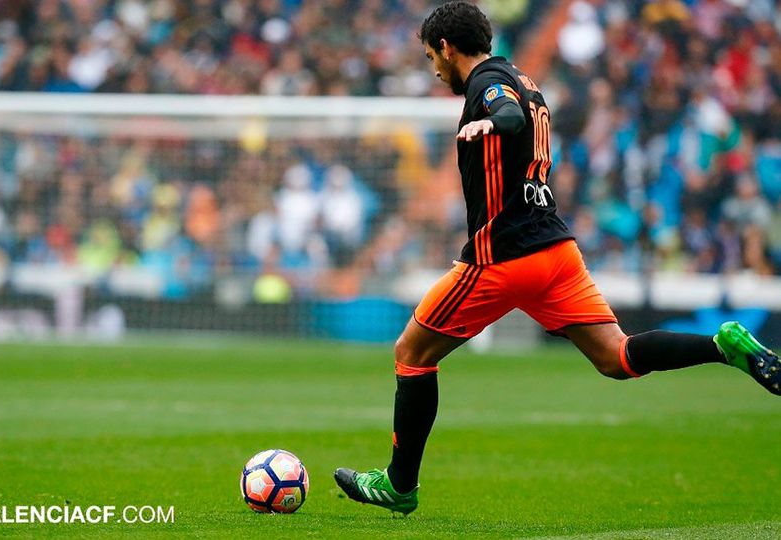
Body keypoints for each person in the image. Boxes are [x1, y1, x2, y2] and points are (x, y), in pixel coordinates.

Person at [334, 1, 779, 515]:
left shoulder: (489, 83)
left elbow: (506, 111)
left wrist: (490, 125)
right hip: (556, 252)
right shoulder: (526, 78)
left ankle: (399, 485)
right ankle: (722, 347)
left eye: (431, 55)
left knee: (412, 354)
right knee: (616, 357)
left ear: (447, 47)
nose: (433, 68)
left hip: (501, 257)